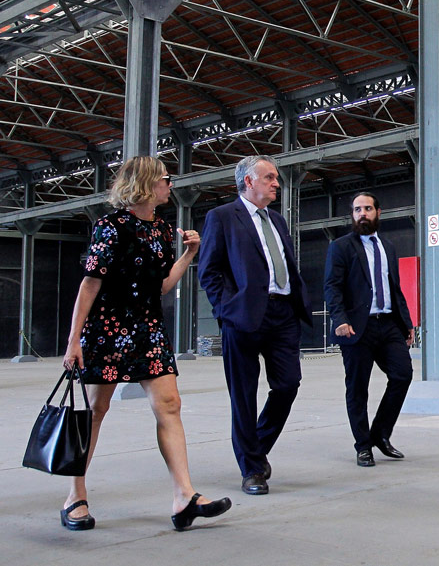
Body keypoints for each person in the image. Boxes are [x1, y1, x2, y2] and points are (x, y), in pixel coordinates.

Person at [60, 156, 231, 532]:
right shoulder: (110, 227)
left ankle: (184, 496)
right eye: (165, 179)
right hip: (107, 328)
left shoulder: (160, 230)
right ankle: (75, 495)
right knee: (96, 409)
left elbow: (162, 287)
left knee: (170, 403)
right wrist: (74, 341)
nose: (170, 185)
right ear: (146, 184)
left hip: (147, 329)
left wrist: (188, 256)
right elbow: (90, 284)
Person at [198, 155, 312, 495]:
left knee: (288, 384)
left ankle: (255, 449)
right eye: (270, 178)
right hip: (243, 318)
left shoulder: (277, 221)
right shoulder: (221, 217)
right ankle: (251, 469)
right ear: (249, 182)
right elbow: (209, 271)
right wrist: (227, 310)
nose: (277, 183)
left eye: (275, 178)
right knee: (244, 396)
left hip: (282, 315)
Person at [324, 192, 414, 466]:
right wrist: (339, 319)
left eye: (367, 209)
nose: (362, 214)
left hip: (388, 325)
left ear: (378, 212)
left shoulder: (388, 247)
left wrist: (406, 323)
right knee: (357, 388)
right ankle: (363, 445)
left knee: (402, 375)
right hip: (355, 328)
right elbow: (332, 287)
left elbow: (395, 289)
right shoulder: (340, 247)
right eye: (356, 210)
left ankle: (380, 434)